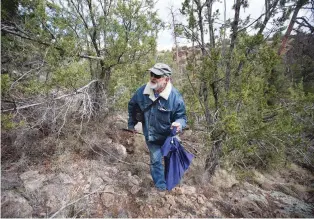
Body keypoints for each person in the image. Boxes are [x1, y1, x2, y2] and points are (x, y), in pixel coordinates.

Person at [128, 63, 187, 191]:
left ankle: (171, 181)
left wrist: (179, 124)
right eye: (152, 74)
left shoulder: (175, 98)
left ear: (166, 79)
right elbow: (132, 105)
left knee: (169, 159)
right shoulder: (142, 91)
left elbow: (182, 117)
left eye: (157, 75)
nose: (153, 77)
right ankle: (160, 186)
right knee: (155, 159)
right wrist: (131, 124)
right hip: (151, 135)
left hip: (168, 136)